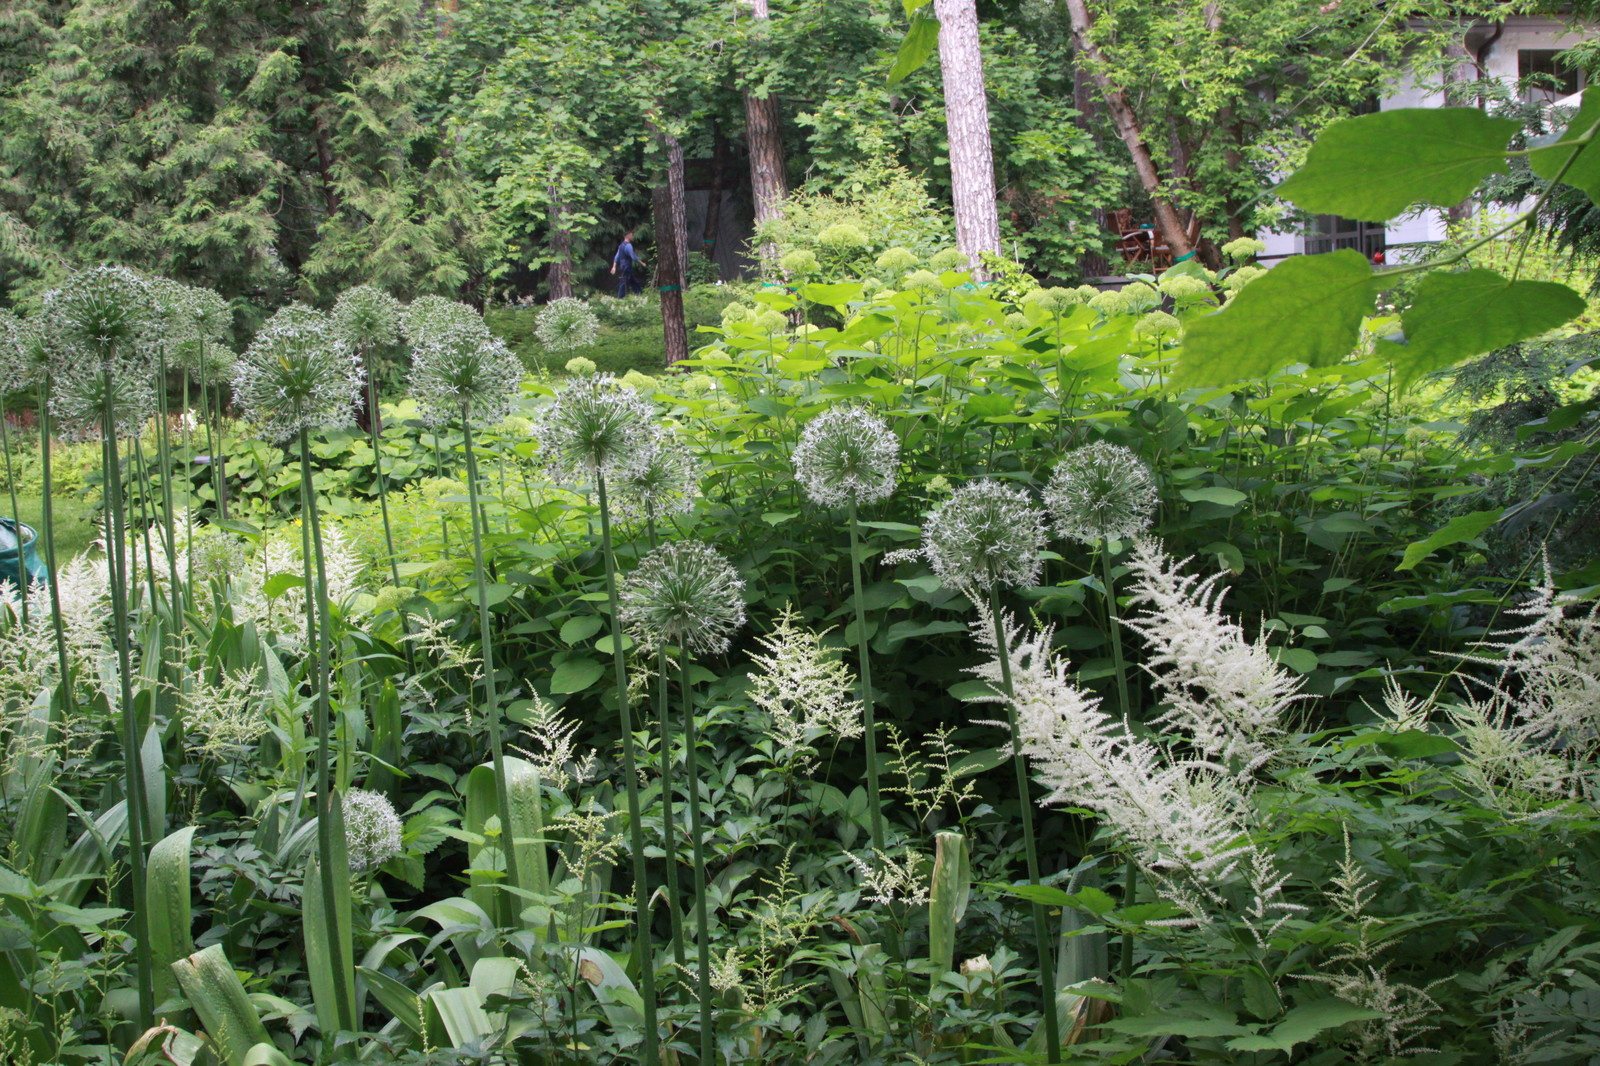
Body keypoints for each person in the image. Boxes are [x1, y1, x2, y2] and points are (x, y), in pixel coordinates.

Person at [611, 231, 644, 298]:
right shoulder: (628, 246)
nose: (632, 237)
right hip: (627, 265)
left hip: (622, 265)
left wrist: (614, 266)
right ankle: (620, 298)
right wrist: (642, 263)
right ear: (627, 236)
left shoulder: (620, 246)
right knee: (624, 281)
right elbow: (633, 257)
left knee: (632, 280)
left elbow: (616, 257)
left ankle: (639, 293)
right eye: (631, 235)